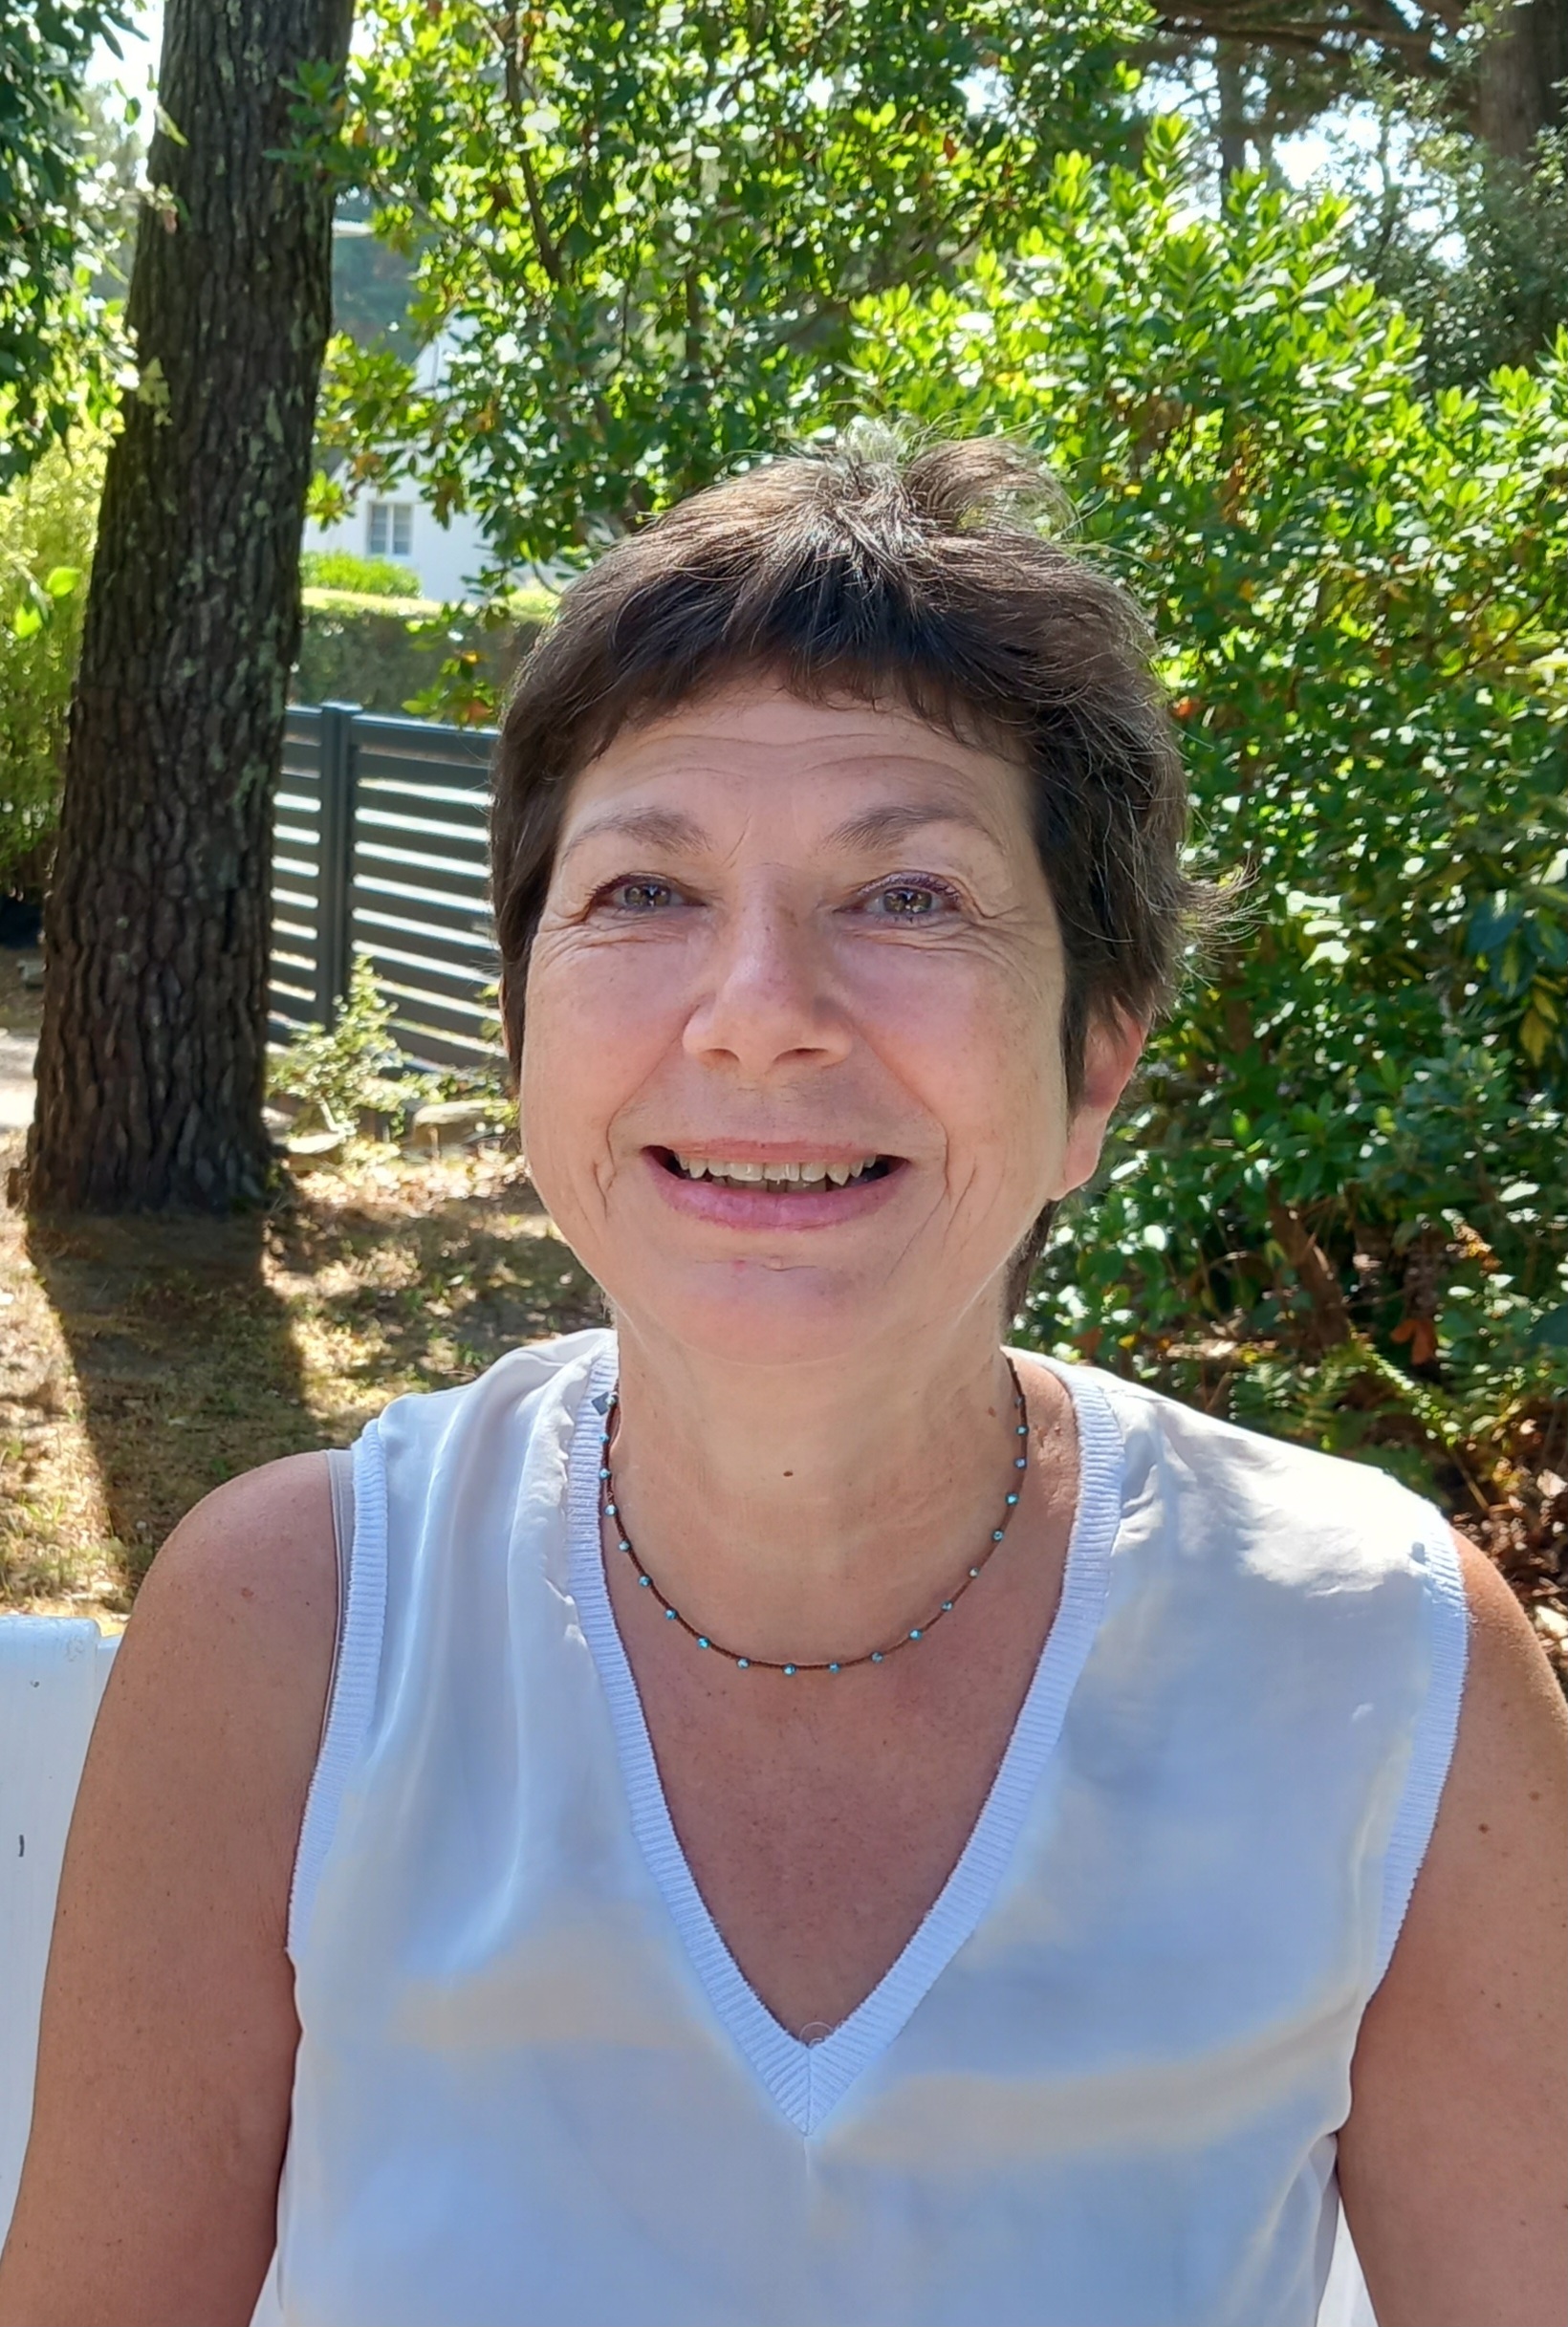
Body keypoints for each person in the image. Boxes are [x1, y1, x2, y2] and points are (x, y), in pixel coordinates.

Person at [1, 435, 1564, 2327]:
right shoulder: (295, 1634)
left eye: (908, 894)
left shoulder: (1382, 1664)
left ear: (1093, 1059)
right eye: (644, 889)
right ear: (524, 1021)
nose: (756, 1011)